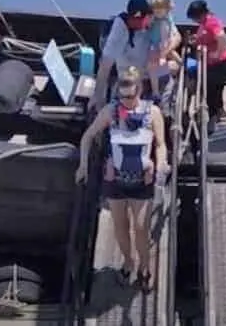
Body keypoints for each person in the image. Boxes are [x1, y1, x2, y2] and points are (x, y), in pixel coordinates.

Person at [76, 67, 168, 292]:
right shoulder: (111, 111)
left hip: (141, 180)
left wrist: (161, 165)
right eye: (122, 96)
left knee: (140, 228)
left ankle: (145, 267)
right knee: (120, 226)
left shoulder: (152, 112)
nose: (126, 101)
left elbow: (160, 144)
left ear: (139, 91)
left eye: (130, 96)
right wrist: (83, 165)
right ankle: (128, 261)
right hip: (115, 179)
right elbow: (87, 137)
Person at [95, 0, 155, 110]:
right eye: (135, 19)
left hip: (150, 76)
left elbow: (175, 36)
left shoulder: (153, 19)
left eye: (142, 19)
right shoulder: (119, 31)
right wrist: (98, 98)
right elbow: (104, 67)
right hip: (127, 82)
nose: (139, 22)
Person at [187, 0, 226, 125]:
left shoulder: (212, 23)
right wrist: (196, 40)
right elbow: (205, 37)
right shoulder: (204, 24)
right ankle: (216, 111)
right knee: (213, 88)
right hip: (206, 61)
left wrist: (218, 53)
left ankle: (214, 114)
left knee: (213, 88)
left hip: (218, 62)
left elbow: (222, 38)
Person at [146, 0, 181, 103]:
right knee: (152, 66)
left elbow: (171, 37)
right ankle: (155, 91)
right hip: (154, 45)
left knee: (171, 53)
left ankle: (179, 63)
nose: (157, 12)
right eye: (155, 10)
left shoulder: (167, 18)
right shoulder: (153, 19)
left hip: (165, 44)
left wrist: (163, 54)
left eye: (160, 10)